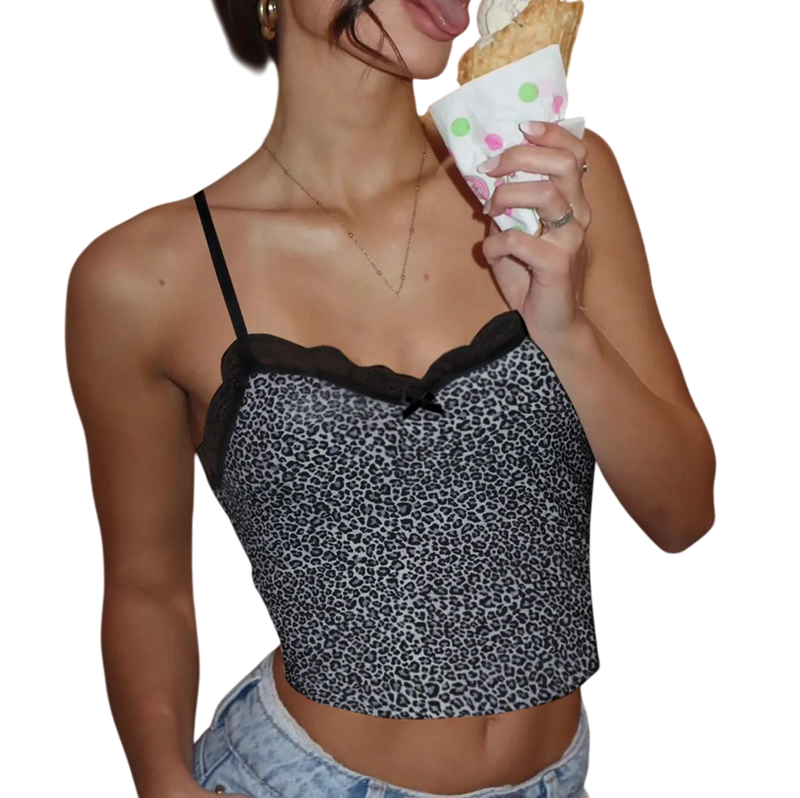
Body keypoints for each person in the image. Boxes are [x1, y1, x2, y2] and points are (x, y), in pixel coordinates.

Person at [65, 0, 717, 796]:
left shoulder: (548, 177)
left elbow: (683, 515)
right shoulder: (142, 280)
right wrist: (162, 784)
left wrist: (566, 331)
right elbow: (148, 589)